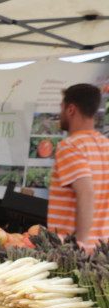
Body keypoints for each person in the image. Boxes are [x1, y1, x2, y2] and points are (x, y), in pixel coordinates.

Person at [48, 83, 109, 248]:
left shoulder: (70, 146)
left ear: (71, 110)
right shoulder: (105, 145)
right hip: (101, 251)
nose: (60, 114)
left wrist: (79, 244)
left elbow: (86, 192)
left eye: (62, 108)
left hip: (74, 253)